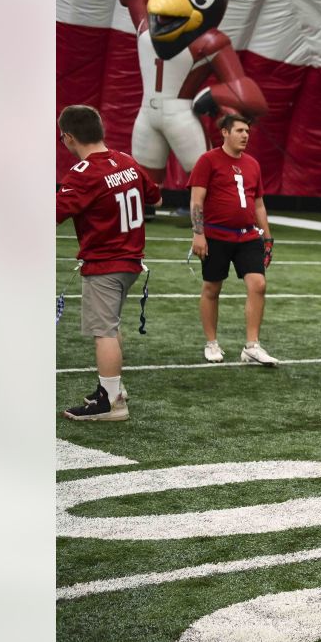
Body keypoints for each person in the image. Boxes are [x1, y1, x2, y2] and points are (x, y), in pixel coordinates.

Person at [57, 105, 162, 420]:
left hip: (106, 262)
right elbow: (155, 197)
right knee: (111, 326)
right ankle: (112, 388)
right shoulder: (127, 161)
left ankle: (112, 402)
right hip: (130, 260)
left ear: (68, 138)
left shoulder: (83, 174)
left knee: (103, 330)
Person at [188, 114, 278, 366]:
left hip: (247, 236)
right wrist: (198, 233)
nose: (245, 135)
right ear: (225, 132)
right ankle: (212, 342)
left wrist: (268, 237)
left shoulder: (252, 164)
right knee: (212, 288)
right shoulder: (208, 160)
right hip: (216, 235)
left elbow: (258, 203)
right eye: (239, 130)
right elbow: (197, 199)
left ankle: (252, 346)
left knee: (258, 284)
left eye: (247, 131)